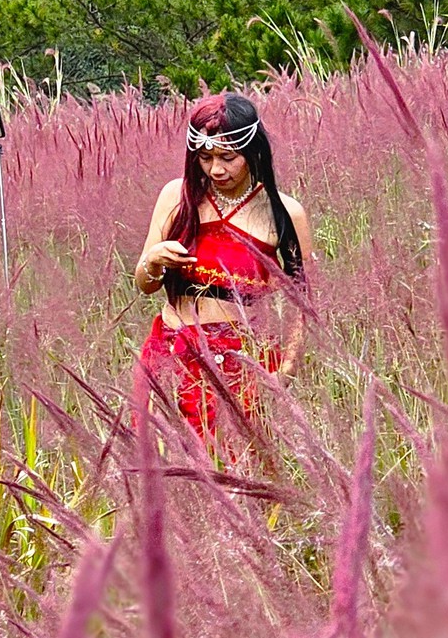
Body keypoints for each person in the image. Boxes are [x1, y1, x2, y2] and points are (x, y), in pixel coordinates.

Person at [133, 91, 315, 445]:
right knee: (159, 464)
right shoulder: (176, 196)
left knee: (232, 471)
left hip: (239, 360)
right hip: (169, 351)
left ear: (253, 152)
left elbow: (302, 302)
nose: (216, 169)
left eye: (228, 158)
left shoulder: (284, 212)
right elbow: (145, 284)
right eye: (204, 158)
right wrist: (153, 259)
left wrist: (286, 369)